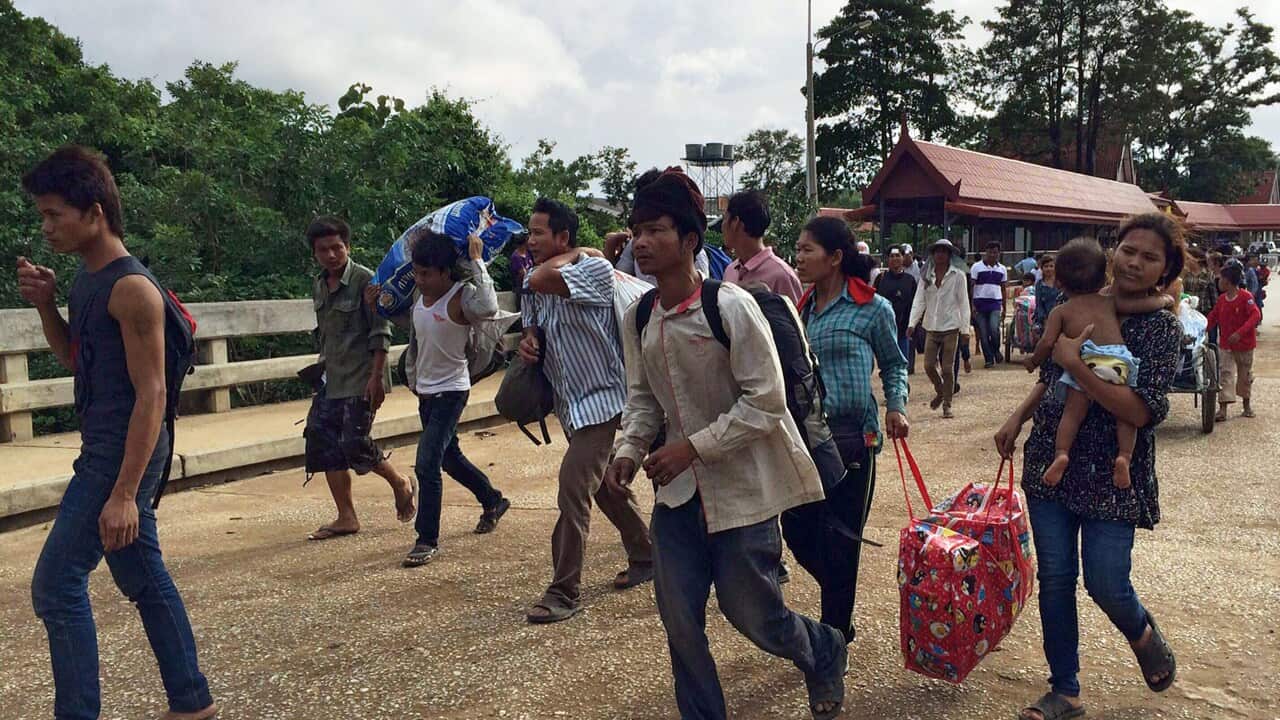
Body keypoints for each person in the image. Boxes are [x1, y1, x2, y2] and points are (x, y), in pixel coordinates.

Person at [606, 168, 847, 720]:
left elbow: (767, 401)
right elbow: (643, 400)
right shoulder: (638, 316)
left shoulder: (731, 307)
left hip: (742, 494)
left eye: (656, 230)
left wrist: (691, 448)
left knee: (754, 615)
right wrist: (626, 451)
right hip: (677, 500)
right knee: (680, 623)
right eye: (637, 230)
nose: (641, 242)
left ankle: (823, 647)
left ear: (690, 241)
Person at [19, 146, 217, 720]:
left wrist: (126, 492)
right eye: (43, 214)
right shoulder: (88, 280)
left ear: (95, 211)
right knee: (141, 574)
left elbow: (152, 393)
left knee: (56, 586)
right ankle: (191, 700)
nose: (46, 226)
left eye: (55, 214)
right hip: (107, 443)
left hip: (121, 450)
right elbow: (76, 362)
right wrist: (47, 306)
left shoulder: (132, 290)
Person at [996, 212, 1184, 720]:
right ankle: (1066, 690)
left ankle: (1142, 632)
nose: (1135, 263)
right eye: (1130, 251)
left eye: (1150, 258)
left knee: (1105, 582)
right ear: (1112, 252)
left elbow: (1141, 410)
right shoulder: (1079, 305)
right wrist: (1016, 418)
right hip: (1051, 463)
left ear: (1165, 270)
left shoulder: (1163, 328)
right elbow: (1047, 375)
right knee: (1056, 577)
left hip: (1113, 471)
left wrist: (1076, 364)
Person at [519, 197, 653, 624]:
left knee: (573, 486)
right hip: (570, 401)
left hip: (604, 398)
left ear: (562, 237)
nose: (530, 239)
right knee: (602, 484)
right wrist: (529, 342)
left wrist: (582, 252)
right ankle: (647, 555)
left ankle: (564, 590)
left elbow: (541, 276)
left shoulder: (592, 269)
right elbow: (533, 320)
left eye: (539, 232)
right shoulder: (535, 281)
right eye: (530, 231)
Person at [794, 215, 910, 643]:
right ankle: (839, 600)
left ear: (836, 257)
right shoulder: (800, 311)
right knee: (799, 530)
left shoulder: (872, 308)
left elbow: (895, 364)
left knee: (842, 537)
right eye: (798, 249)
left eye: (808, 249)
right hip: (809, 441)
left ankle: (835, 637)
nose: (799, 257)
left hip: (855, 440)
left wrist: (896, 407)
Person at [393, 229, 511, 567]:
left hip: (452, 390)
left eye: (427, 273)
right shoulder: (419, 297)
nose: (420, 279)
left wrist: (477, 262)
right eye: (416, 272)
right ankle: (493, 500)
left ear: (446, 271)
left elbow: (489, 307)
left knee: (427, 462)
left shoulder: (464, 296)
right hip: (425, 391)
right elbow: (413, 327)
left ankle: (426, 538)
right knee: (448, 457)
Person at [1021, 238, 1172, 489]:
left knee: (1073, 411)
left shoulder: (1061, 310)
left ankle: (1061, 454)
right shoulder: (1109, 302)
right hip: (1117, 359)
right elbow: (1142, 305)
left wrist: (1033, 360)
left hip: (1086, 360)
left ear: (1059, 282)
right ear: (1104, 279)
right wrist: (1165, 300)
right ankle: (1124, 456)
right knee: (1124, 416)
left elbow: (1047, 343)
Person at [302, 216, 416, 541]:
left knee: (355, 443)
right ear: (315, 253)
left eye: (337, 247)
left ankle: (400, 482)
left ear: (348, 246)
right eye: (324, 250)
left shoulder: (367, 281)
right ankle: (346, 516)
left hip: (362, 378)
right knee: (322, 443)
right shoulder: (319, 285)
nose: (332, 255)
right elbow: (325, 333)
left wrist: (377, 378)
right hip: (331, 379)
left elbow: (381, 332)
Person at [909, 239, 971, 419]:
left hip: (951, 326)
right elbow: (919, 300)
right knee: (928, 365)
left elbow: (964, 303)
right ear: (932, 254)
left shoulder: (958, 275)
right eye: (937, 251)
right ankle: (941, 390)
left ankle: (947, 404)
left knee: (947, 368)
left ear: (949, 255)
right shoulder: (926, 276)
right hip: (931, 326)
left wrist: (965, 330)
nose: (940, 255)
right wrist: (912, 323)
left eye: (944, 252)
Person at [719, 190, 803, 303]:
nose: (722, 226)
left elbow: (795, 319)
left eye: (724, 218)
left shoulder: (782, 276)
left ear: (735, 222)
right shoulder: (730, 271)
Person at [1206, 262, 1261, 421]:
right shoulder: (1222, 299)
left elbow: (1255, 316)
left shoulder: (1246, 297)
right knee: (1225, 374)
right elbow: (1213, 317)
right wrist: (1201, 329)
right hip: (1226, 345)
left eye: (1221, 279)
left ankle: (1246, 405)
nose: (1219, 282)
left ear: (1228, 282)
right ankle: (1222, 409)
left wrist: (1240, 333)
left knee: (1244, 375)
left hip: (1245, 345)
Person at [874, 246, 918, 374]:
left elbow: (915, 303)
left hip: (904, 330)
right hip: (885, 330)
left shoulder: (910, 281)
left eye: (898, 255)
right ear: (888, 259)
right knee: (887, 367)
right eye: (892, 256)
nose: (895, 259)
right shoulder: (881, 279)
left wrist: (914, 323)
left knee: (903, 365)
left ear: (903, 258)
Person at [970, 241, 1009, 367]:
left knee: (994, 329)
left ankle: (996, 350)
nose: (992, 255)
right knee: (983, 333)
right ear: (985, 252)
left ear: (998, 253)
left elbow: (1003, 288)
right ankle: (988, 358)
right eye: (990, 252)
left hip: (995, 303)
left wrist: (1004, 306)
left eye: (995, 252)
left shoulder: (1002, 269)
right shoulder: (976, 267)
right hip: (979, 303)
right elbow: (972, 286)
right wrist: (972, 305)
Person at [1033, 254, 1062, 334]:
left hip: (1061, 316)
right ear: (1042, 268)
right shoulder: (1039, 285)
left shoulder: (1061, 283)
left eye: (1051, 266)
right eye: (1046, 266)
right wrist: (1045, 320)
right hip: (1043, 318)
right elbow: (1039, 304)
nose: (1048, 269)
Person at [508, 230, 533, 308]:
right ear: (524, 242)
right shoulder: (516, 257)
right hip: (521, 290)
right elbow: (524, 274)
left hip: (529, 287)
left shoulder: (528, 252)